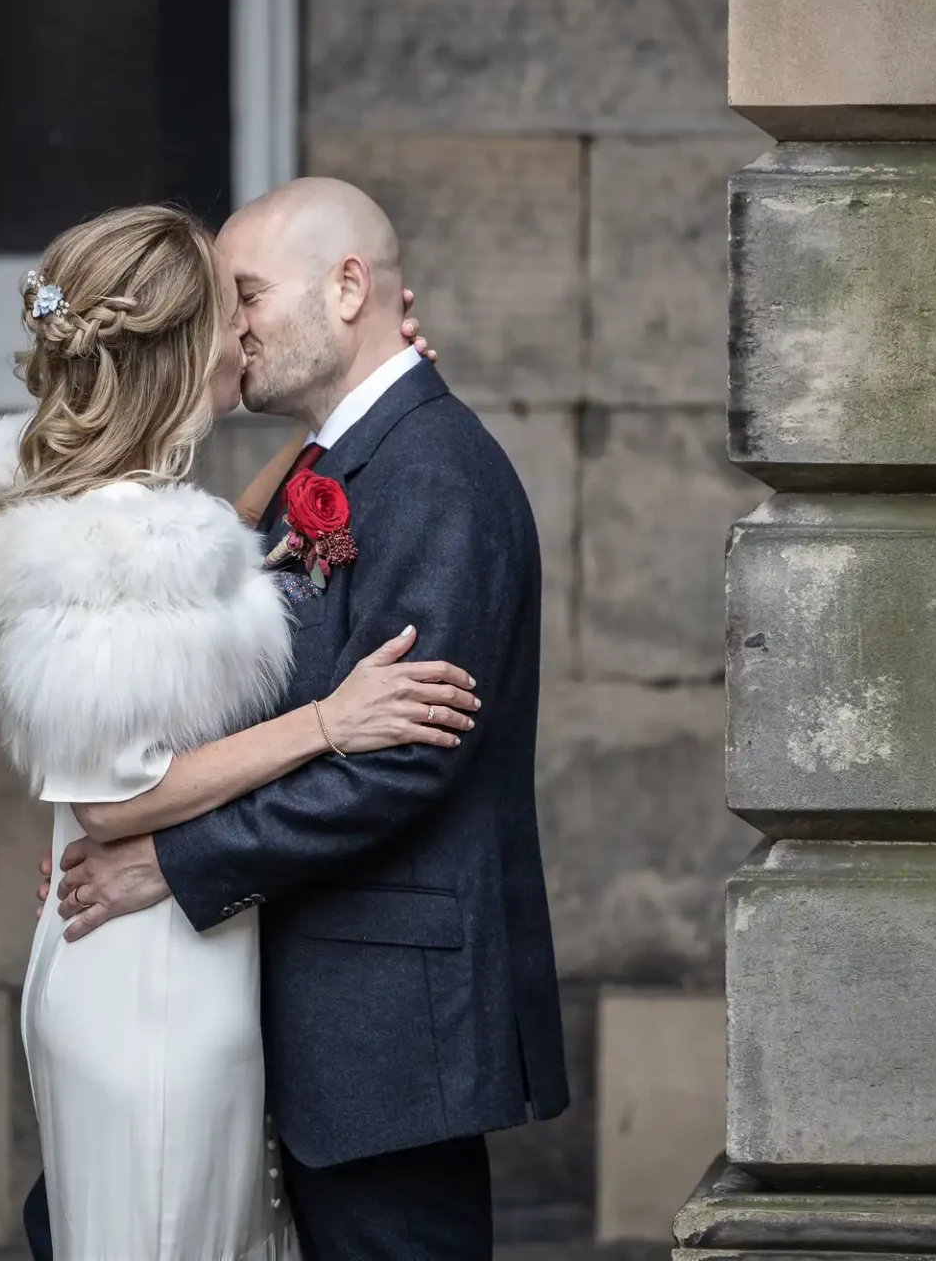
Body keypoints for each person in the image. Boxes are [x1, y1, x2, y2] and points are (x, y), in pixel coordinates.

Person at [0, 203, 470, 1261]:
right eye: (231, 307)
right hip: (150, 980)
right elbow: (112, 795)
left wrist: (325, 432)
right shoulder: (117, 542)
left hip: (151, 952)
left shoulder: (106, 515)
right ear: (185, 349)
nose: (247, 330)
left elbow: (202, 566)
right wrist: (325, 723)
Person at [39, 178, 569, 1261]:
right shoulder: (337, 463)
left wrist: (172, 858)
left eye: (246, 295)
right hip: (294, 1003)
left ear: (347, 288)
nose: (228, 328)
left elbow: (401, 761)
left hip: (386, 1029)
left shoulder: (437, 477)